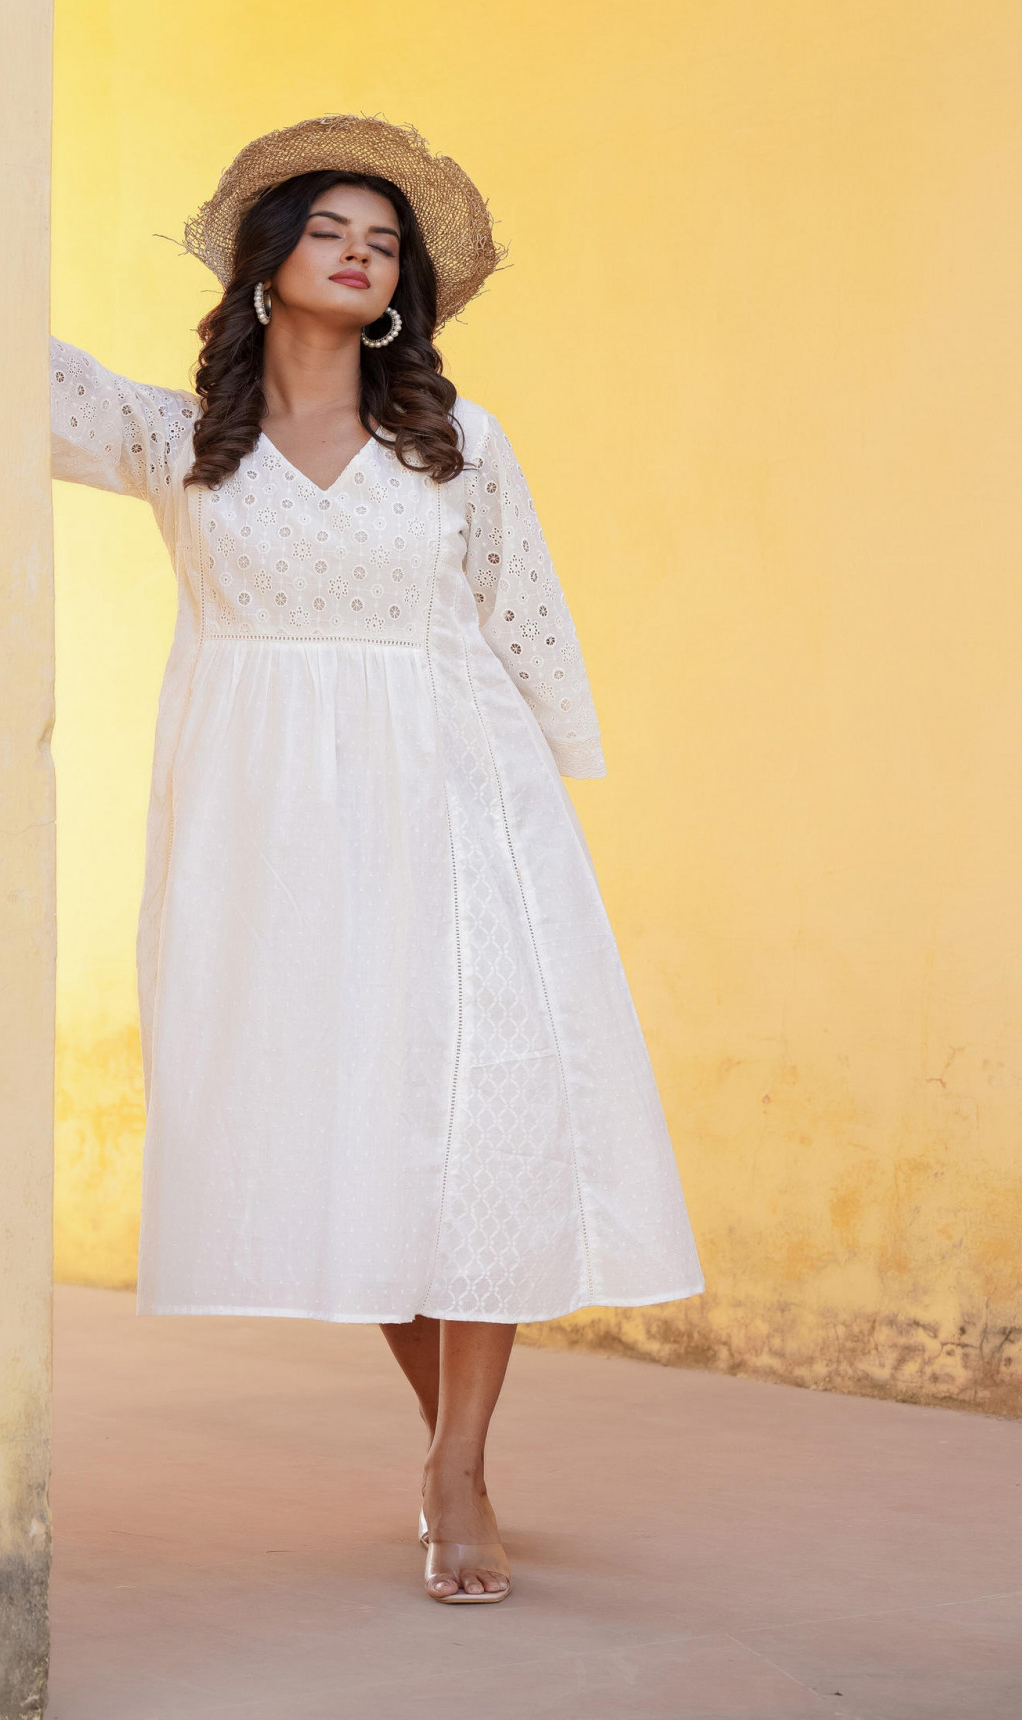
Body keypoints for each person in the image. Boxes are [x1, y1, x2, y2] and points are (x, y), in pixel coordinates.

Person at [50, 115, 703, 1604]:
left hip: (458, 806)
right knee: (362, 1142)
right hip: (268, 832)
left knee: (476, 1129)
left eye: (382, 237)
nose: (358, 249)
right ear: (268, 265)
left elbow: (519, 610)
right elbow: (7, 377)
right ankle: (445, 1445)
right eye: (330, 227)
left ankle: (459, 1468)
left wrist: (544, 819)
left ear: (399, 286)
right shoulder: (179, 440)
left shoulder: (455, 444)